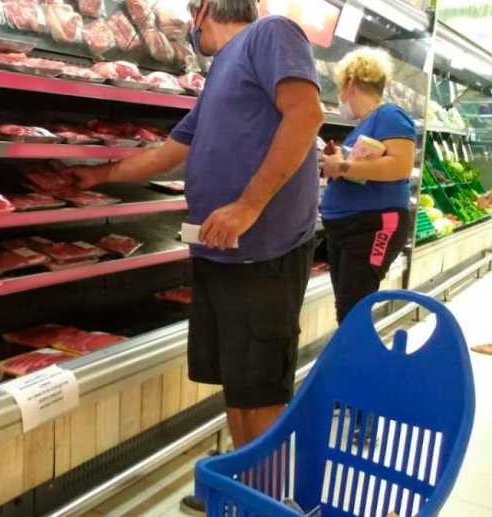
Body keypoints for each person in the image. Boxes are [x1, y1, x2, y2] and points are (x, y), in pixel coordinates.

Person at [69, 0, 323, 510]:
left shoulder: (271, 33)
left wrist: (248, 205)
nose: (190, 28)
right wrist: (96, 176)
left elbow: (307, 114)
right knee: (239, 385)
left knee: (262, 391)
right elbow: (168, 155)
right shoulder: (221, 72)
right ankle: (241, 491)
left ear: (204, 8)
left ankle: (266, 505)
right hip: (219, 253)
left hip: (262, 253)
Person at [321, 48, 416, 323]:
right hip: (349, 228)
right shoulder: (366, 125)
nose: (340, 96)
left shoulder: (391, 115)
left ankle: (358, 352)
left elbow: (400, 166)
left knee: (353, 312)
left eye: (340, 87)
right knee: (348, 310)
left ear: (350, 83)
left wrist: (342, 166)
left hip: (373, 227)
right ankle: (352, 351)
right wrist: (338, 163)